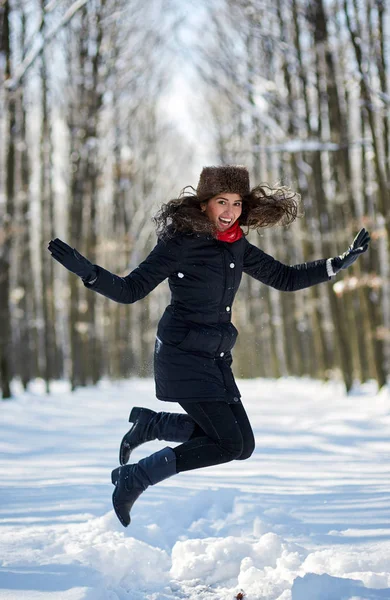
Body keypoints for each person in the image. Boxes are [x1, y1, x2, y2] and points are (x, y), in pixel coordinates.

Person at [48, 165, 370, 527]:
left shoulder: (236, 245)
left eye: (236, 203)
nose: (230, 211)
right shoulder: (179, 245)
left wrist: (335, 265)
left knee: (241, 446)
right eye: (222, 202)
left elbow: (284, 277)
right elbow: (130, 291)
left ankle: (153, 425)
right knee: (227, 444)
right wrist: (89, 272)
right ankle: (136, 476)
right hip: (182, 355)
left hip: (215, 357)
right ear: (204, 204)